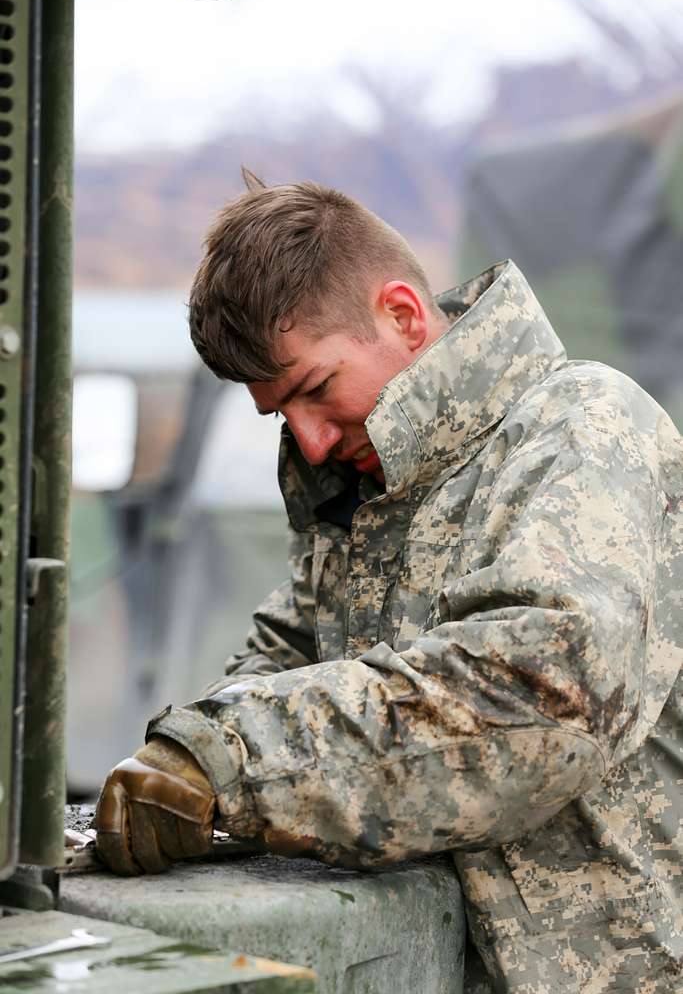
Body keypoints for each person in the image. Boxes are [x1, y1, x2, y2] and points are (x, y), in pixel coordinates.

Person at [95, 173, 683, 993]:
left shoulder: (579, 430)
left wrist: (233, 760)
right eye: (278, 415)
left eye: (313, 391)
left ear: (402, 315)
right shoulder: (365, 496)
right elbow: (285, 661)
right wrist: (177, 765)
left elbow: (537, 703)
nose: (308, 440)